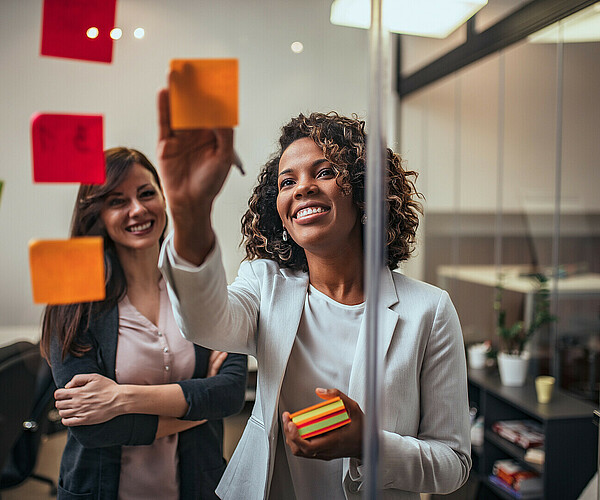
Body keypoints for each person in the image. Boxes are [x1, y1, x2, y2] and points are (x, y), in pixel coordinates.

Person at [156, 87, 471, 499]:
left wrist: (367, 445)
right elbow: (203, 323)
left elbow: (453, 465)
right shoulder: (264, 284)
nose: (302, 187)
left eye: (323, 172)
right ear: (280, 211)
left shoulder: (428, 310)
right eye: (288, 181)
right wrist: (189, 211)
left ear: (362, 191)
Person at [40, 147, 247, 500]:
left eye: (146, 193)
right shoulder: (71, 298)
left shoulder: (196, 284)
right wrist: (199, 406)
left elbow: (229, 393)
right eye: (117, 201)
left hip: (196, 484)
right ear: (98, 214)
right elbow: (92, 428)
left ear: (164, 198)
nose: (137, 209)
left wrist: (119, 398)